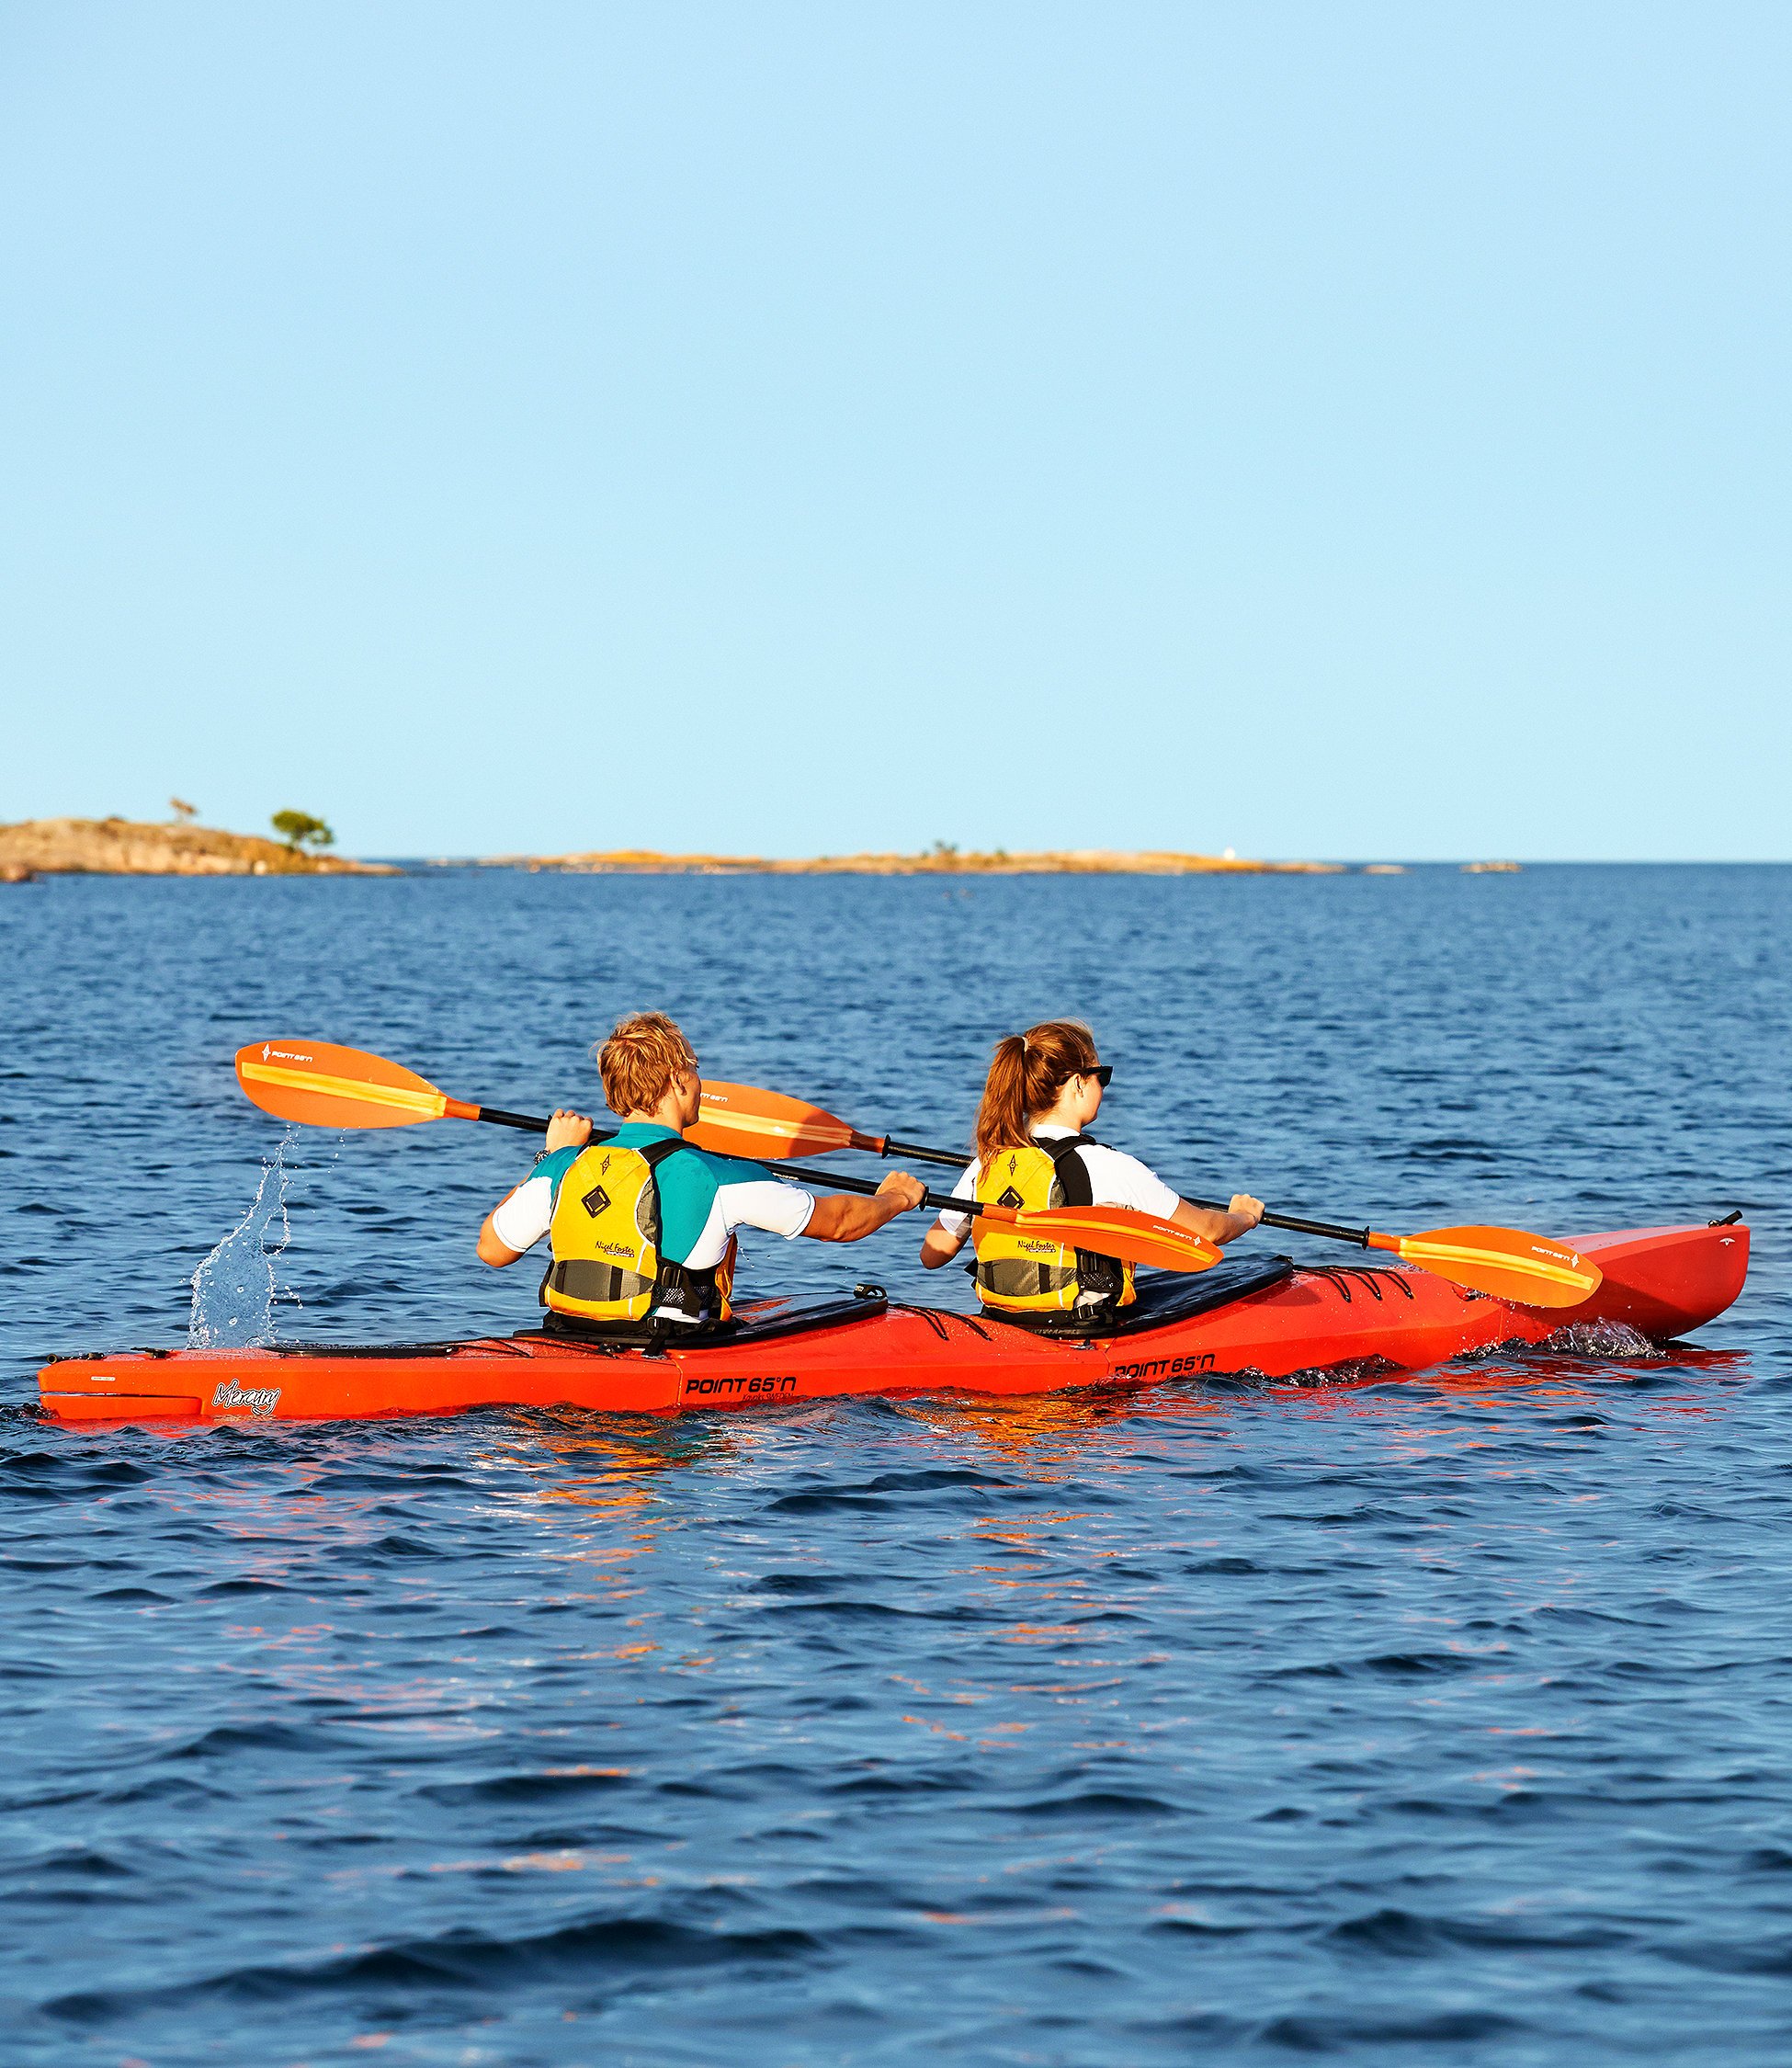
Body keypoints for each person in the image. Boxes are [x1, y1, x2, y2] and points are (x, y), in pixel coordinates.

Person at [478, 1011, 925, 1328]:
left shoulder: (563, 1164)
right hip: (667, 1365)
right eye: (695, 1068)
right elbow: (841, 1224)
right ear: (677, 1080)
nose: (700, 1080)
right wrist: (897, 1198)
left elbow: (493, 1251)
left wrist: (548, 1155)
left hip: (570, 1337)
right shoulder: (716, 1175)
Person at [918, 1018, 1265, 1323]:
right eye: (1102, 1076)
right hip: (1082, 1330)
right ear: (1077, 1084)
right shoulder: (1109, 1166)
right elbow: (1206, 1231)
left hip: (1003, 1320)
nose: (1103, 1087)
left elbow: (933, 1254)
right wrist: (1242, 1217)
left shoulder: (987, 1163)